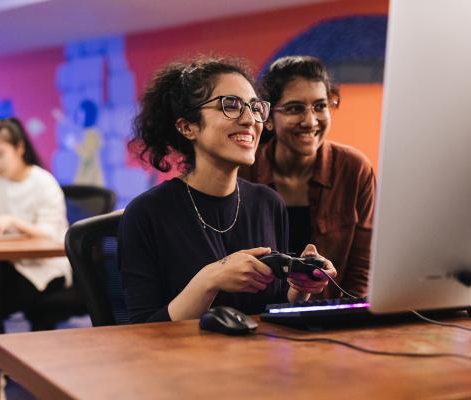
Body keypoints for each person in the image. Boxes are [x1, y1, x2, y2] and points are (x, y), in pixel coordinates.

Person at [119, 57, 337, 324]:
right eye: (230, 105)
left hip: (258, 359)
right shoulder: (147, 213)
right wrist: (210, 280)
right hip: (181, 361)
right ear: (187, 127)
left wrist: (299, 289)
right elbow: (142, 330)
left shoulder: (268, 203)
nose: (250, 120)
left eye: (255, 107)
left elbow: (273, 306)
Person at [240, 55, 375, 299]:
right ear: (268, 119)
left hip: (330, 321)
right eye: (295, 109)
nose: (310, 121)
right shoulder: (242, 172)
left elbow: (360, 272)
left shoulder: (354, 169)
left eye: (320, 106)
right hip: (254, 322)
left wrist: (351, 325)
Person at [0, 117, 71, 400]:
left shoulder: (43, 182)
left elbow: (53, 236)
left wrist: (14, 221)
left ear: (20, 148)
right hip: (11, 265)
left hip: (46, 268)